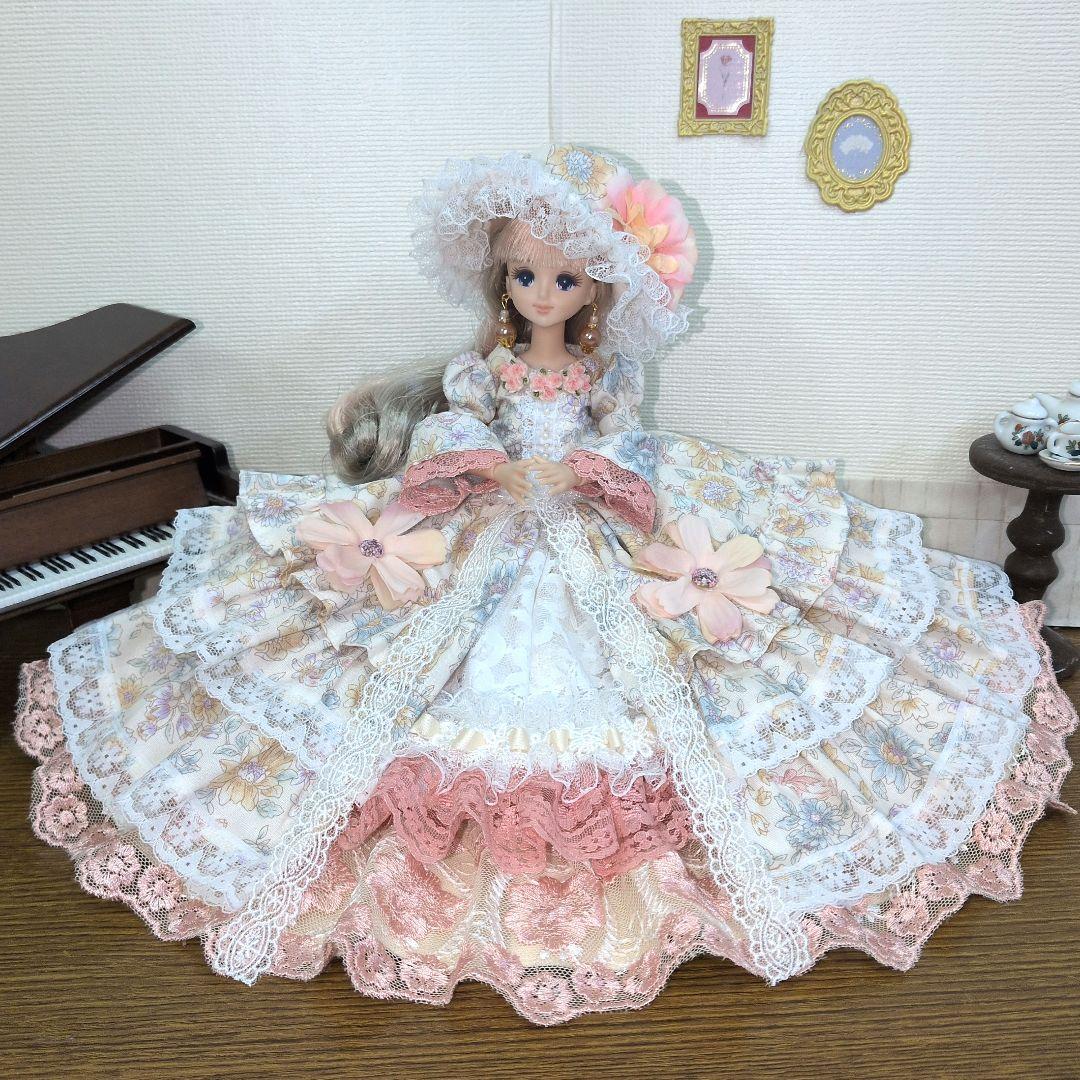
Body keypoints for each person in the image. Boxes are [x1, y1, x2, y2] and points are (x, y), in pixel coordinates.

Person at [14, 144, 1078, 1026]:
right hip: (490, 525)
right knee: (398, 654)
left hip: (580, 532)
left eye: (563, 281)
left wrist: (586, 477)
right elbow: (448, 432)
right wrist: (480, 466)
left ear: (596, 291)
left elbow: (624, 450)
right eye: (525, 278)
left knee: (666, 658)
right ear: (503, 283)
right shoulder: (488, 368)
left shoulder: (602, 374)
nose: (542, 295)